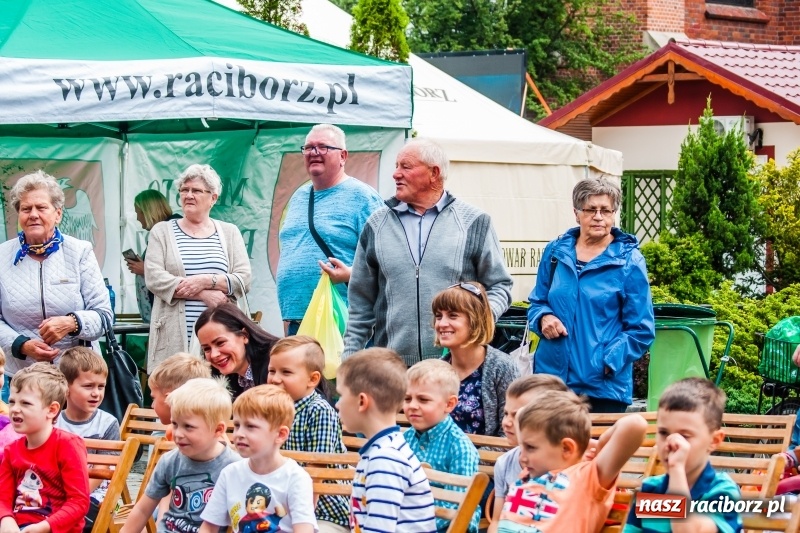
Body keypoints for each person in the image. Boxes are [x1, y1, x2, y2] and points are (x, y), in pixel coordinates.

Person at [344, 139, 513, 366]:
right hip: (392, 370)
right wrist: (349, 360)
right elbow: (360, 304)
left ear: (434, 173)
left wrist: (479, 321)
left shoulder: (474, 221)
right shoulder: (376, 224)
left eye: (406, 166)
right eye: (396, 166)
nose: (395, 174)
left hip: (457, 368)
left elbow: (500, 285)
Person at [527, 177, 655, 413]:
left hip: (601, 388)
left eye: (606, 210)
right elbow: (537, 302)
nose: (598, 216)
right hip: (551, 382)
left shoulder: (629, 261)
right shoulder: (555, 252)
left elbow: (642, 329)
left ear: (614, 214)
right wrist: (543, 317)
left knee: (596, 450)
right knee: (551, 449)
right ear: (577, 213)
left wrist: (607, 362)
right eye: (591, 209)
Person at [0, 170, 111, 403]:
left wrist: (72, 322)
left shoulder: (80, 251)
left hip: (77, 377)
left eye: (41, 208)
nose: (33, 215)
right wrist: (22, 345)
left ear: (58, 214)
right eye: (26, 209)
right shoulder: (1, 256)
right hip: (22, 377)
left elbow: (104, 316)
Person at [277, 124, 384, 336]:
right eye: (308, 148)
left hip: (342, 319)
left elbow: (387, 262)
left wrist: (350, 274)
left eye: (323, 147)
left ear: (343, 156)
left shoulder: (363, 198)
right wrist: (288, 315)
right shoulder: (299, 196)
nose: (314, 153)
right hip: (298, 320)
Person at [145, 164, 251, 371]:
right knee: (177, 394)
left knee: (221, 396)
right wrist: (203, 295)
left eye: (196, 191)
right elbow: (154, 277)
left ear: (213, 198)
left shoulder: (229, 232)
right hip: (176, 336)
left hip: (222, 338)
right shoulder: (162, 231)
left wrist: (205, 281)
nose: (189, 195)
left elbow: (244, 278)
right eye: (184, 190)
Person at [496, 390, 647, 532]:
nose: (522, 457)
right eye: (522, 447)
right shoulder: (529, 473)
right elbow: (524, 414)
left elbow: (636, 424)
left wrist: (597, 445)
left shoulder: (588, 477)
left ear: (567, 448)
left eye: (530, 448)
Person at [335, 348, 437, 532]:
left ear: (362, 402)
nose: (337, 404)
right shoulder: (383, 450)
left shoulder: (385, 459)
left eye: (341, 395)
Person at [121, 378, 239, 533]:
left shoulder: (234, 467)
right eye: (175, 424)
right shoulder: (170, 461)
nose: (178, 434)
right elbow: (142, 510)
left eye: (188, 427)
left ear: (218, 430)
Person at [624, 378, 742, 533]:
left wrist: (676, 469)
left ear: (714, 441)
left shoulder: (723, 492)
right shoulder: (649, 489)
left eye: (685, 436)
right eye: (663, 433)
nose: (671, 443)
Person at [199, 385, 317, 533]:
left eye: (250, 426)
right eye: (236, 425)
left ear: (280, 434)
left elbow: (304, 529)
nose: (239, 433)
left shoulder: (296, 477)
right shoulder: (230, 474)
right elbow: (209, 527)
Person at [267, 336, 348, 533]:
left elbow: (318, 468)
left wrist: (299, 514)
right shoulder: (270, 408)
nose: (275, 379)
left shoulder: (318, 410)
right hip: (281, 504)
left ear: (312, 379)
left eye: (286, 372)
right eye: (272, 371)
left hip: (323, 508)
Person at [0, 363, 90, 533]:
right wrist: (6, 519)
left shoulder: (68, 445)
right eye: (12, 402)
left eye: (26, 403)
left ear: (52, 410)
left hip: (54, 528)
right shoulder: (12, 451)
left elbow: (79, 502)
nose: (15, 409)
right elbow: (3, 497)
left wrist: (45, 527)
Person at [403, 359, 480, 533]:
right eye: (407, 399)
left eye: (423, 399)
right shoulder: (404, 440)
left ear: (449, 404)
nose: (412, 406)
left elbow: (457, 505)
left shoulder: (460, 447)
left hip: (450, 526)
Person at [433, 282, 518, 437]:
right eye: (438, 316)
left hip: (487, 459)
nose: (442, 324)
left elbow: (510, 435)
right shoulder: (436, 371)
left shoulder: (503, 367)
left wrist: (469, 460)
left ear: (475, 320)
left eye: (453, 315)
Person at [488, 374, 570, 533]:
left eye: (517, 415)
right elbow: (496, 521)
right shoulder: (504, 463)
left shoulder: (570, 467)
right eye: (506, 413)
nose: (506, 422)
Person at [56, 347, 120, 533]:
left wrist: (74, 497)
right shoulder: (53, 421)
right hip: (59, 493)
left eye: (101, 386)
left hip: (99, 496)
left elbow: (102, 472)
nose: (96, 393)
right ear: (66, 387)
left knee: (73, 521)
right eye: (88, 386)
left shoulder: (107, 423)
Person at [196, 303, 279, 399]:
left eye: (220, 343)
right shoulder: (216, 380)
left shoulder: (276, 364)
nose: (214, 355)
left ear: (244, 335)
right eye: (206, 349)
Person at [126, 189, 181, 323]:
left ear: (148, 212)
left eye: (138, 213)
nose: (138, 218)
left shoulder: (174, 231)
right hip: (159, 313)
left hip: (170, 313)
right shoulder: (160, 233)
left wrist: (145, 269)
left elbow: (177, 271)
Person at [147, 352, 213, 430]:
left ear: (170, 400)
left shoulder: (185, 437)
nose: (152, 405)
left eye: (154, 398)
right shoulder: (207, 430)